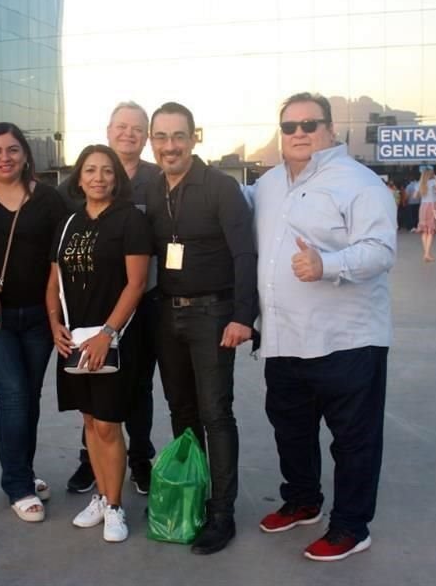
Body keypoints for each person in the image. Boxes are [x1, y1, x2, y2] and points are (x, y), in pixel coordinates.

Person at [252, 92, 396, 562]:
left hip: (347, 339)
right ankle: (302, 501)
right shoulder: (269, 184)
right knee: (290, 429)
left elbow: (380, 249)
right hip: (284, 337)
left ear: (330, 130)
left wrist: (328, 264)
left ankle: (352, 526)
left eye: (308, 125)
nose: (298, 134)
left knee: (353, 440)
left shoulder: (359, 182)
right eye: (288, 126)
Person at [145, 101, 257, 555]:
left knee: (215, 413)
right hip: (166, 315)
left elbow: (244, 255)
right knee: (181, 412)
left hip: (213, 315)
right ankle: (190, 497)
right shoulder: (152, 190)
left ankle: (222, 514)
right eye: (161, 137)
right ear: (153, 141)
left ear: (194, 138)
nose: (169, 146)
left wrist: (242, 317)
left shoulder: (221, 188)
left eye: (178, 136)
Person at [0, 122, 67, 523]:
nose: (5, 157)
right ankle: (17, 485)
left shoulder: (51, 200)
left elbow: (63, 253)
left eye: (13, 150)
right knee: (14, 394)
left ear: (25, 155)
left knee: (30, 395)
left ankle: (23, 469)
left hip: (40, 316)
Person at [46, 144, 152, 543]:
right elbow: (53, 281)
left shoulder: (130, 221)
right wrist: (54, 322)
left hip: (114, 338)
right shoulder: (68, 223)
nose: (99, 178)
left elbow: (136, 284)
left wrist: (108, 334)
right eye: (90, 170)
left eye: (107, 171)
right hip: (76, 337)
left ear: (117, 178)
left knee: (109, 422)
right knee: (89, 419)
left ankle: (115, 506)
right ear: (79, 176)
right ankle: (103, 495)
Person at [57, 101, 160, 496]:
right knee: (92, 385)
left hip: (144, 300)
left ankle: (140, 459)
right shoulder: (86, 183)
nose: (128, 133)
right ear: (109, 130)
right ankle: (91, 462)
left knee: (137, 385)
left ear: (146, 135)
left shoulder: (155, 179)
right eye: (121, 126)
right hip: (91, 308)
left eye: (137, 128)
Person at [416, 166, 436, 262]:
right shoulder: (434, 182)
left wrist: (422, 194)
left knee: (424, 230)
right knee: (431, 230)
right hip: (432, 206)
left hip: (423, 207)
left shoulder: (420, 183)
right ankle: (427, 253)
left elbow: (415, 196)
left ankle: (426, 253)